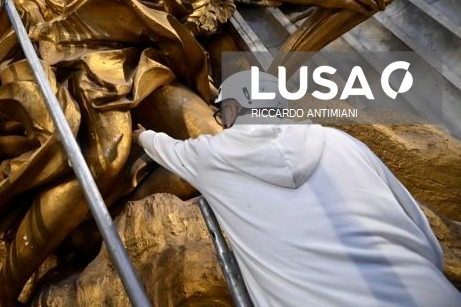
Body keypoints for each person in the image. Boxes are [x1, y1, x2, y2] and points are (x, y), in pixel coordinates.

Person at [0, 0, 390, 305]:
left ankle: (101, 229)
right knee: (107, 157)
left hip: (142, 60)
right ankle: (4, 289)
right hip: (85, 44)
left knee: (214, 146)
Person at [133, 70, 461, 307]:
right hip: (426, 292)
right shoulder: (340, 142)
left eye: (220, 113)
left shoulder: (212, 157)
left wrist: (141, 136)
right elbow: (418, 226)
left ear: (232, 110)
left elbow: (164, 148)